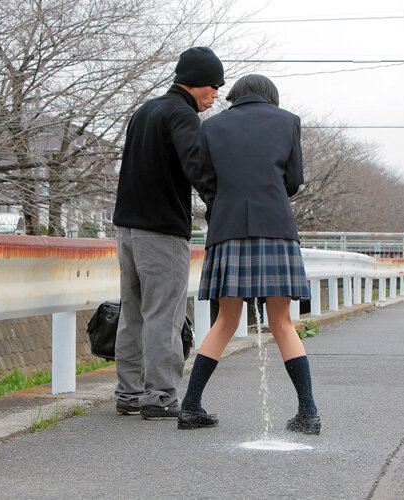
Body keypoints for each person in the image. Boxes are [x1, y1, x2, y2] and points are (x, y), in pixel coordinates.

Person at [178, 74, 320, 435]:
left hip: (228, 229)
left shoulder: (212, 126)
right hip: (275, 227)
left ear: (235, 95)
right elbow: (294, 180)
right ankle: (308, 412)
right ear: (270, 96)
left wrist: (226, 201)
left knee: (225, 321)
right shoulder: (287, 121)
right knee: (282, 322)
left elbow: (205, 181)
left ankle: (190, 405)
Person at [111, 47, 223, 420]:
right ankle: (159, 395)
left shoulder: (145, 110)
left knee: (132, 313)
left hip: (127, 228)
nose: (216, 94)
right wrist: (218, 204)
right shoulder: (182, 114)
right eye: (214, 85)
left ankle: (129, 393)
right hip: (161, 231)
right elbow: (198, 166)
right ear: (197, 80)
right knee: (164, 314)